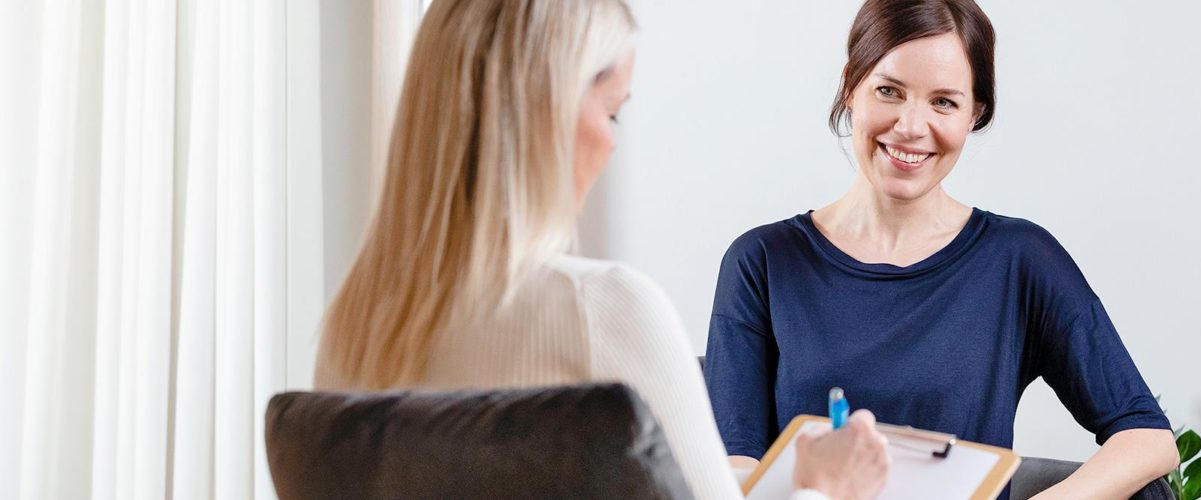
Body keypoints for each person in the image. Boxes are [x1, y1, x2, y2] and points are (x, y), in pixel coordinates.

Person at [313, 1, 889, 499]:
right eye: (612, 111)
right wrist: (823, 486)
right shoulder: (602, 306)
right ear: (547, 113)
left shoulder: (355, 324)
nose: (613, 142)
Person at [703, 0, 1178, 498]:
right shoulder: (762, 261)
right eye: (889, 91)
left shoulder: (1019, 260)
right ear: (850, 86)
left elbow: (1147, 437)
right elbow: (734, 467)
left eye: (943, 102)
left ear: (974, 113)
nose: (911, 126)